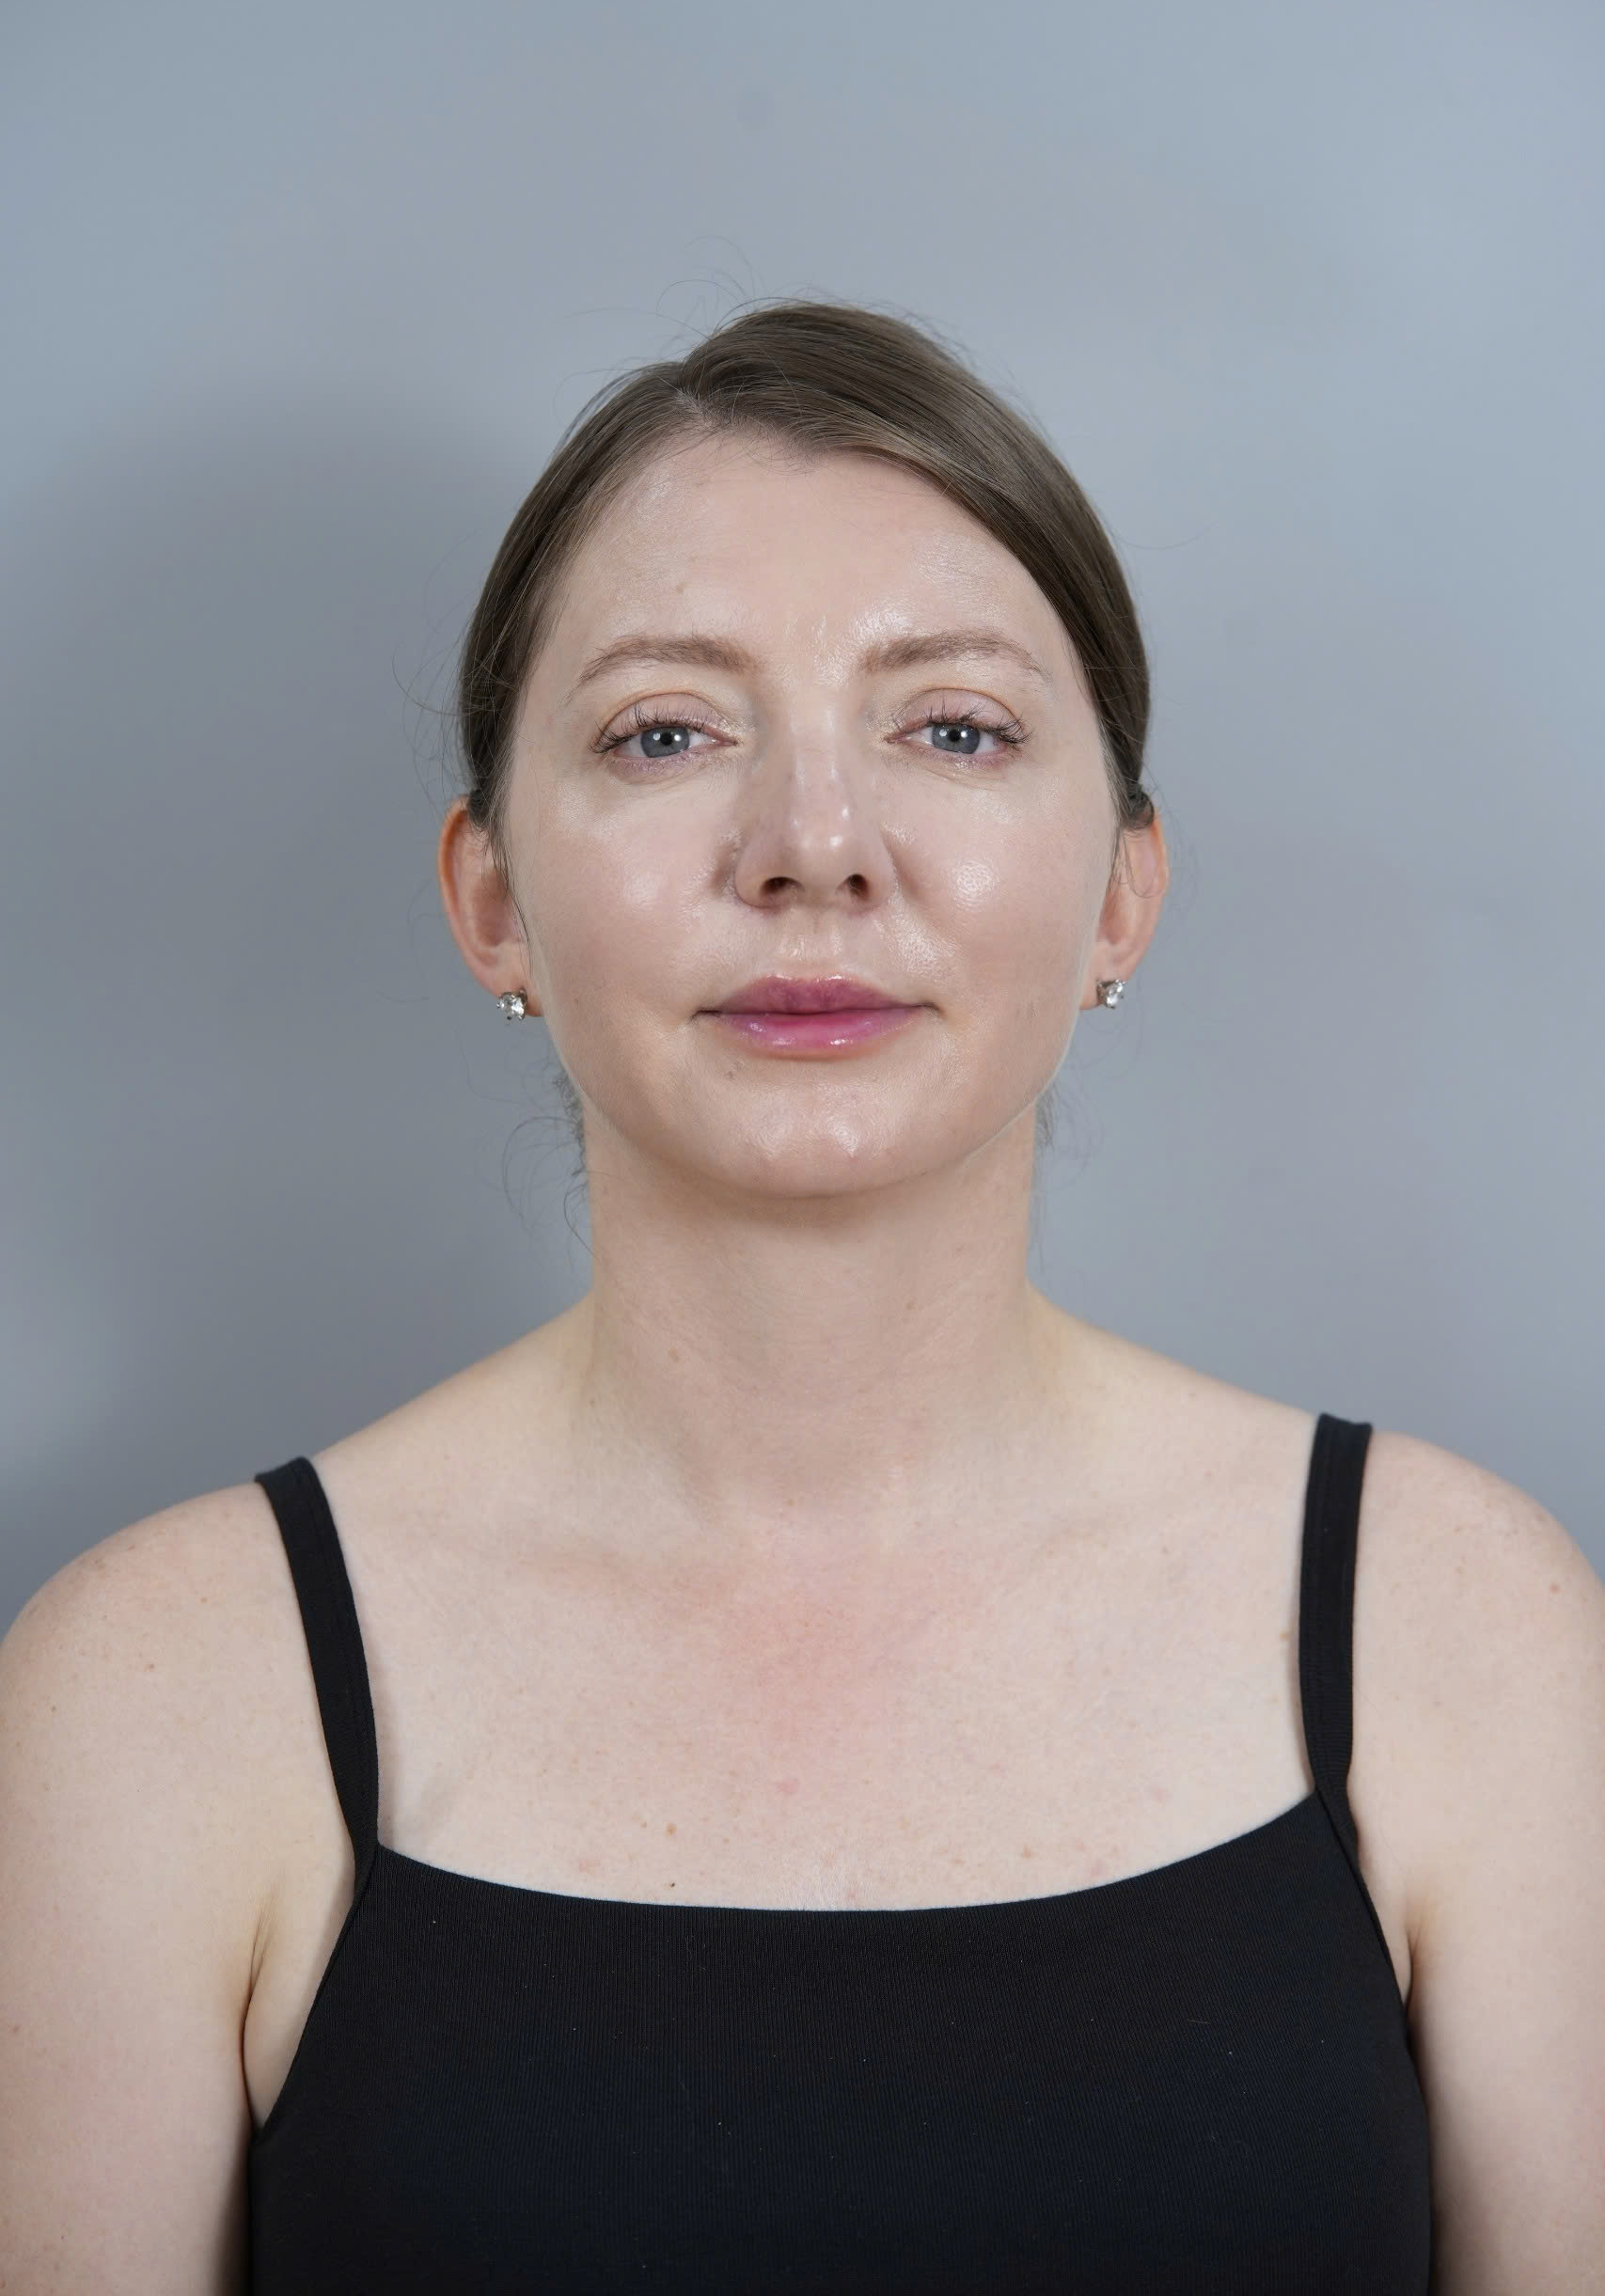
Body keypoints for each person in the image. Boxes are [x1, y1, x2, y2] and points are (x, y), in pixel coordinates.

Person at [1, 302, 1601, 2293]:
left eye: (955, 728)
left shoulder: (1460, 1629)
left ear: (1121, 890)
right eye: (665, 732)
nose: (812, 850)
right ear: (491, 898)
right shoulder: (165, 1686)